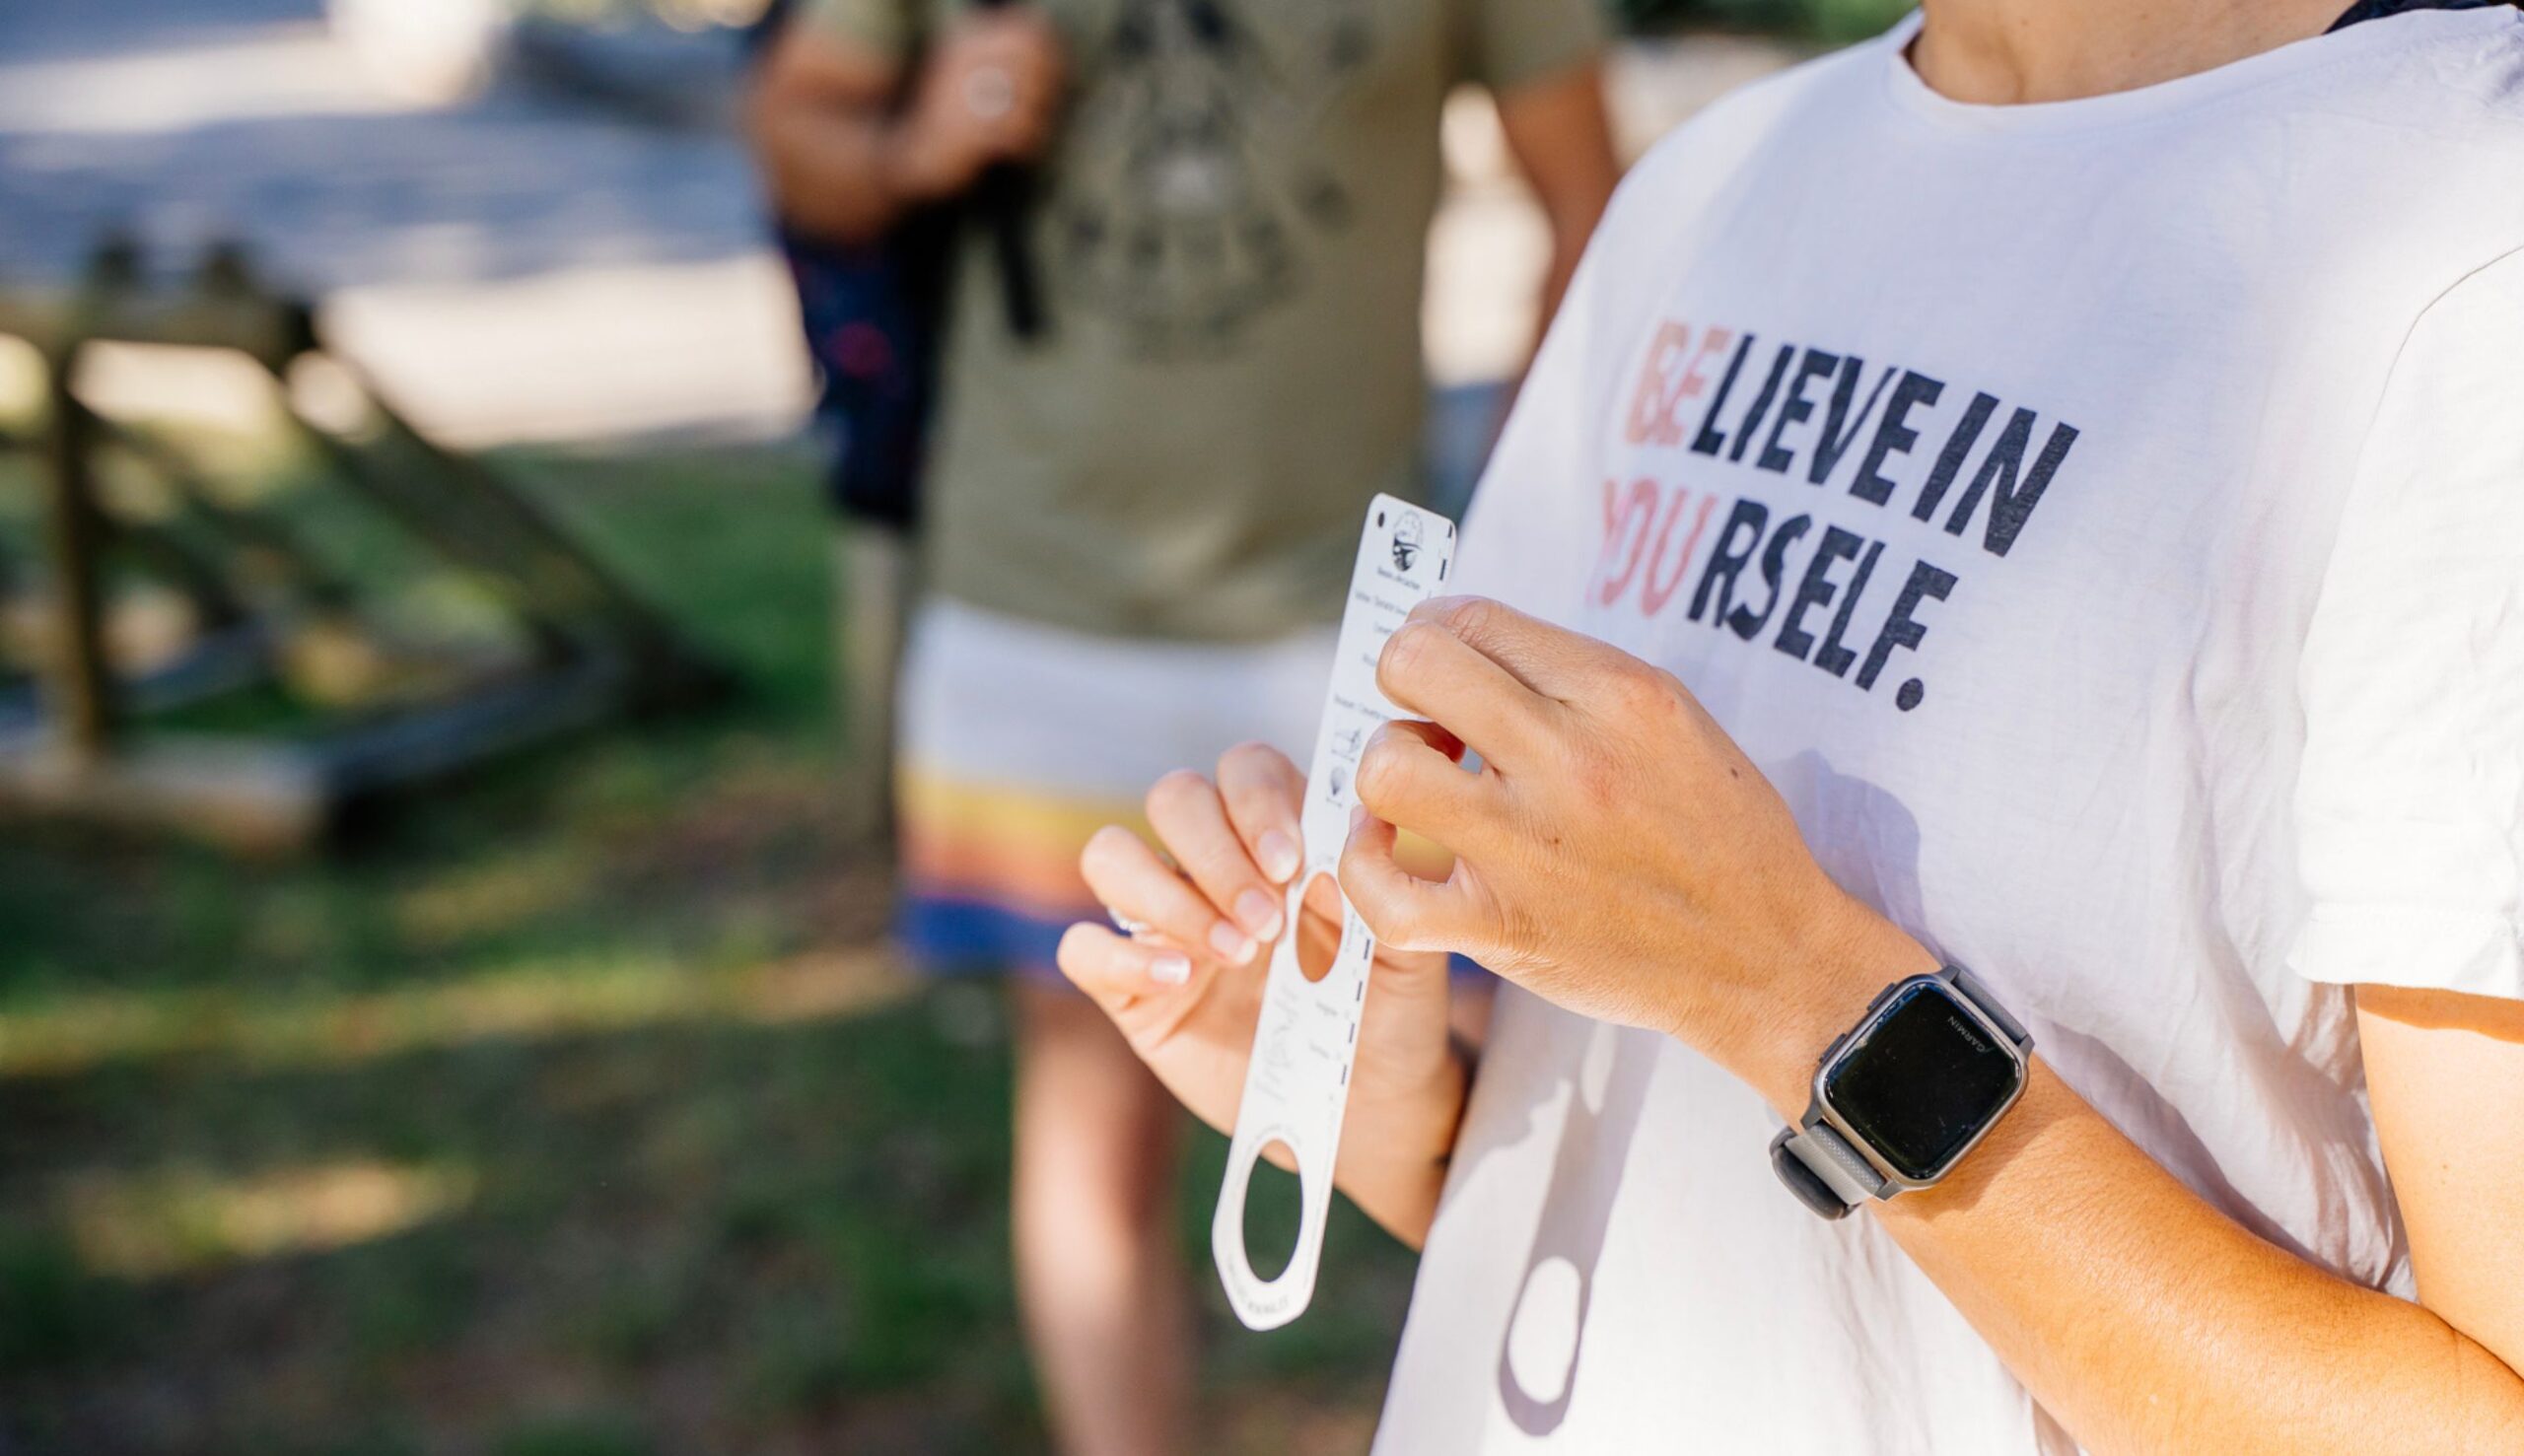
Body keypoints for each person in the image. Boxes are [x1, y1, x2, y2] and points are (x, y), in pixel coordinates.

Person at [1057, 0, 2524, 1450]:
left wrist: (1789, 989)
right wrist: (1401, 1097)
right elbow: (1730, 1261)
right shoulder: (1713, 185)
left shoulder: (2461, 256)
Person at [745, 4, 1620, 1452]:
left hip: (1354, 631)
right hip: (1035, 604)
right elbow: (797, 137)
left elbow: (1589, 200)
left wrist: (1508, 545)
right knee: (1095, 1096)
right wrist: (914, 142)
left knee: (1502, 1094)